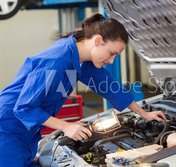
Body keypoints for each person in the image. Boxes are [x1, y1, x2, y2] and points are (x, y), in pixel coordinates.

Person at [0, 13, 166, 166]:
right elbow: (24, 108)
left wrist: (144, 114)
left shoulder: (81, 60)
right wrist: (66, 126)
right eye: (111, 53)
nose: (111, 60)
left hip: (26, 134)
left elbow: (111, 88)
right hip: (7, 129)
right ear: (98, 40)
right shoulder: (57, 60)